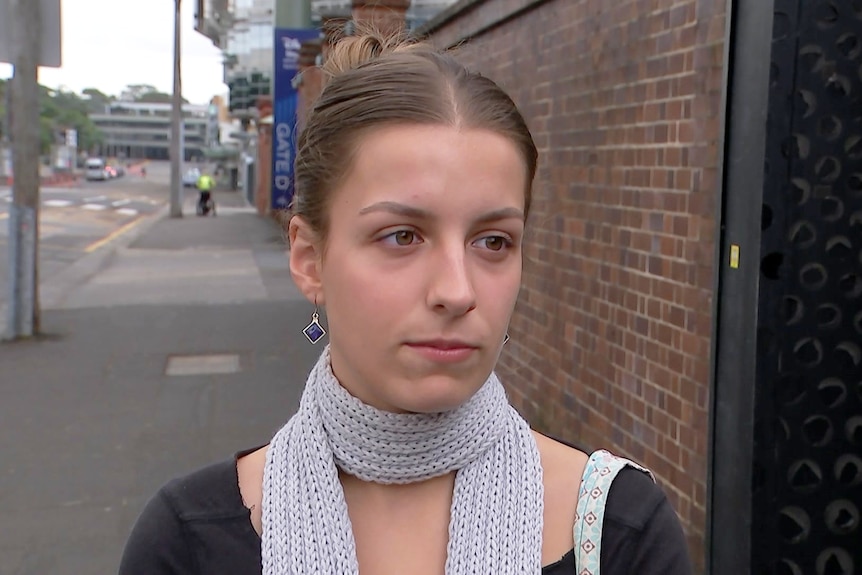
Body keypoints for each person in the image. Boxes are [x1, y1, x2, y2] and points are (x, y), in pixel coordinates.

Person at [119, 28, 692, 575]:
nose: (457, 291)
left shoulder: (616, 531)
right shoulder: (189, 542)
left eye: (493, 242)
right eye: (402, 236)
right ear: (310, 260)